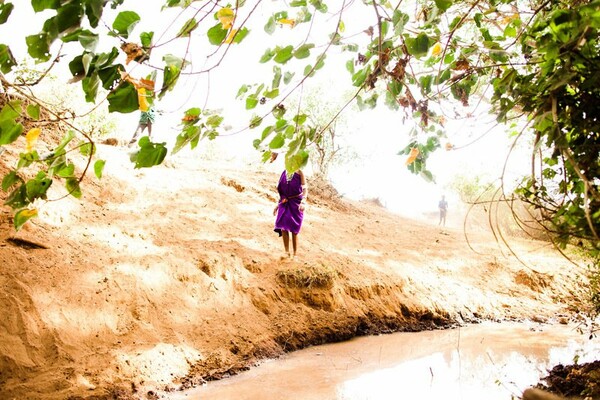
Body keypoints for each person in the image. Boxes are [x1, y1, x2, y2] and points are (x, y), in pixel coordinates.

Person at [271, 153, 307, 259]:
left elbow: (305, 189)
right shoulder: (284, 173)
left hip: (296, 203)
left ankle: (295, 254)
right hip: (284, 202)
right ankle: (286, 252)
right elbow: (281, 190)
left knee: (294, 229)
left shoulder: (300, 172)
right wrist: (278, 205)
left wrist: (303, 202)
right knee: (283, 227)